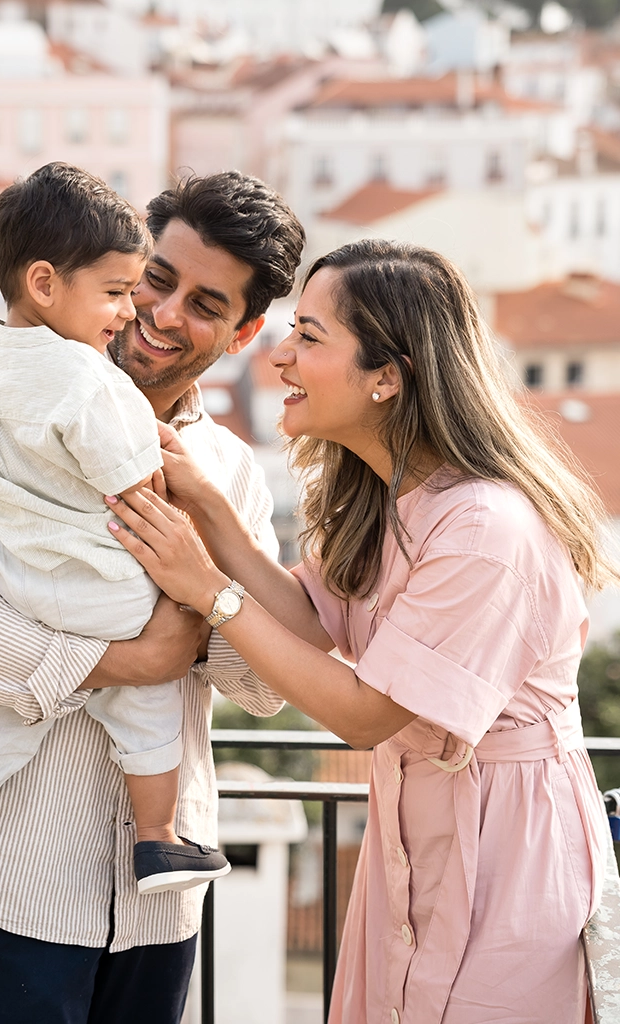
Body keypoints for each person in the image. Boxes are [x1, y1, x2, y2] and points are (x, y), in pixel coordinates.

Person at [108, 238, 614, 1024]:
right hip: (418, 841)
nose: (280, 358)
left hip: (508, 855)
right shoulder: (386, 500)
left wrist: (206, 590)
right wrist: (208, 507)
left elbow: (367, 713)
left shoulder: (484, 528)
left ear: (387, 376)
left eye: (309, 337)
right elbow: (311, 626)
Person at [0, 170, 305, 1024]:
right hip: (11, 875)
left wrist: (202, 570)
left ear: (244, 332)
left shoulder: (229, 473)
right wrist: (135, 658)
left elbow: (265, 685)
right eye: (156, 278)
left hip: (161, 898)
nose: (160, 312)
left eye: (205, 302)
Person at [0, 161, 229, 897]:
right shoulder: (93, 379)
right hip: (110, 589)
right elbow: (132, 481)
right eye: (117, 293)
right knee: (148, 708)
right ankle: (156, 841)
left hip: (20, 587)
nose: (128, 313)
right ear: (46, 283)